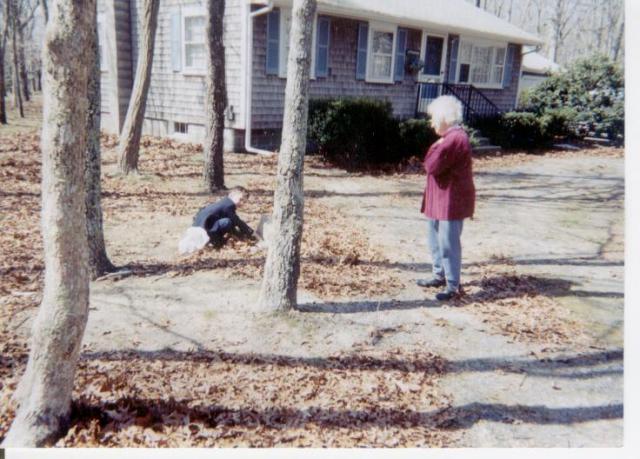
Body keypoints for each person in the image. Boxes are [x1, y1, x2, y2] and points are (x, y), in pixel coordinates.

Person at [417, 95, 476, 301]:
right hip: (439, 199)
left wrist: (437, 145)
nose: (431, 122)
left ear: (444, 117)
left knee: (448, 242)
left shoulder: (455, 138)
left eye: (433, 117)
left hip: (451, 200)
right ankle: (438, 275)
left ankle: (452, 285)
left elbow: (431, 165)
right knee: (434, 238)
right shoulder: (448, 138)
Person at [178, 188, 255, 254]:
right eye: (240, 199)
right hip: (204, 229)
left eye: (244, 201)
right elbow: (236, 221)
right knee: (227, 222)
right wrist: (249, 232)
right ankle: (216, 242)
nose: (241, 203)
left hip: (199, 225)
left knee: (228, 223)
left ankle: (219, 240)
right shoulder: (228, 205)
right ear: (232, 196)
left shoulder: (224, 202)